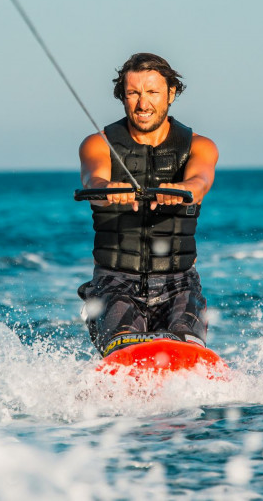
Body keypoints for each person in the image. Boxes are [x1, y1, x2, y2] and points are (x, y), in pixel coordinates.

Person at [77, 52, 219, 357]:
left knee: (185, 350)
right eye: (133, 93)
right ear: (122, 97)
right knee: (125, 348)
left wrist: (182, 189)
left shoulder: (199, 146)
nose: (143, 104)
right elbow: (93, 178)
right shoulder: (97, 144)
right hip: (115, 283)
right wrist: (107, 189)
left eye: (153, 92)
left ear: (171, 93)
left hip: (179, 283)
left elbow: (200, 182)